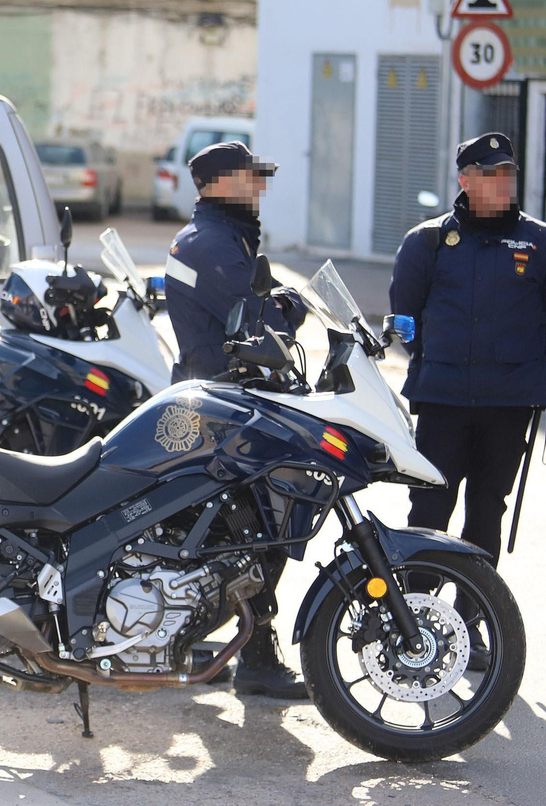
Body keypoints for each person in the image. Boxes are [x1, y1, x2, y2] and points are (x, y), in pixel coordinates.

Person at [390, 132, 546, 667]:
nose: (503, 183)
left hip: (508, 405)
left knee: (485, 514)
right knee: (429, 509)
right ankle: (416, 622)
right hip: (443, 402)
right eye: (491, 174)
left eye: (509, 174)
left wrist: (516, 374)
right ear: (465, 180)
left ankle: (469, 624)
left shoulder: (544, 244)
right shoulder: (425, 242)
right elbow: (405, 318)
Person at [163, 140, 309, 700]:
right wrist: (289, 307)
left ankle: (206, 643)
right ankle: (255, 655)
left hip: (223, 397)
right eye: (251, 178)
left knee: (231, 535)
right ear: (219, 183)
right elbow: (261, 323)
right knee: (257, 536)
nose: (260, 187)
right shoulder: (212, 245)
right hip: (221, 406)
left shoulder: (220, 238)